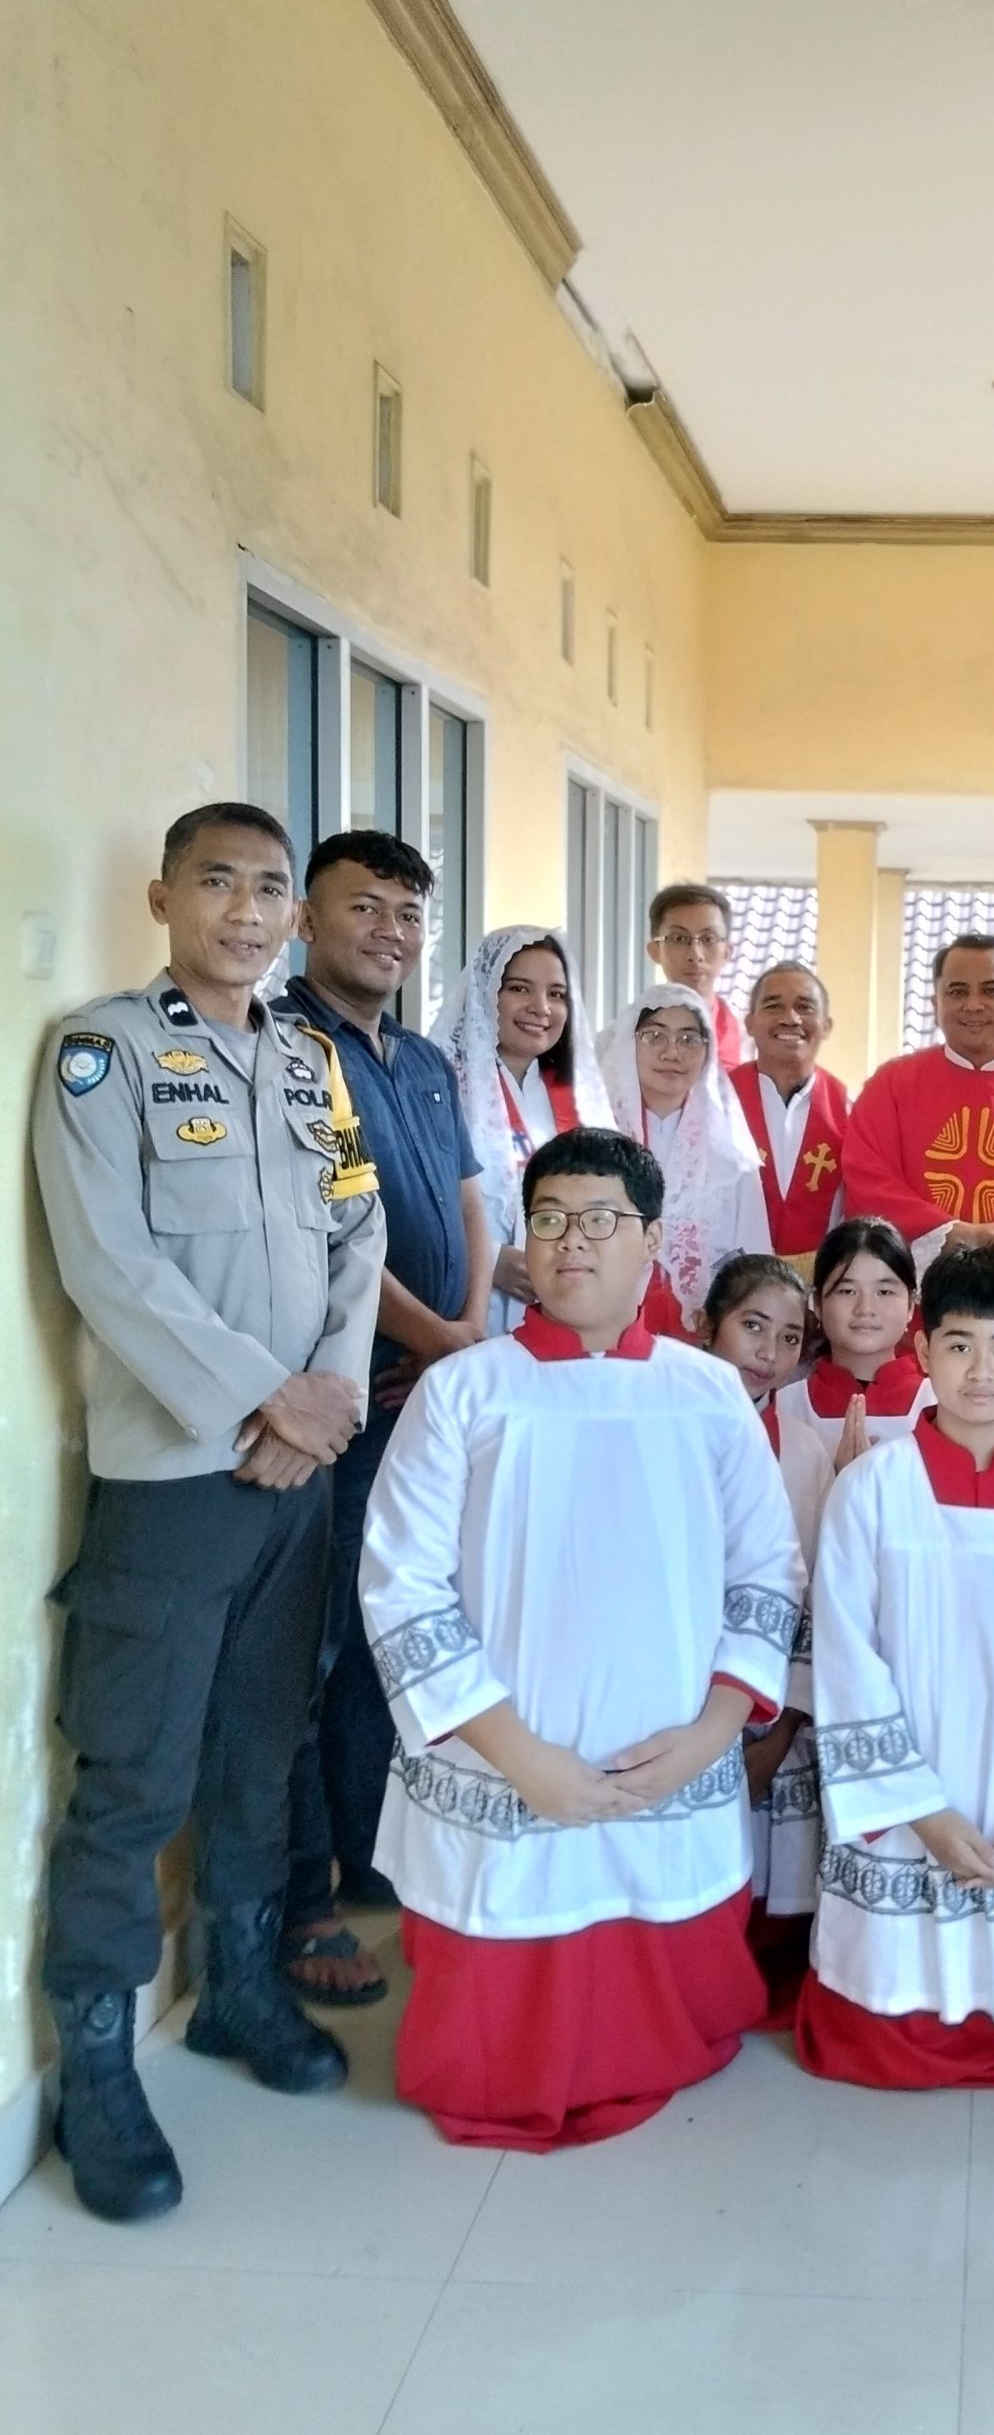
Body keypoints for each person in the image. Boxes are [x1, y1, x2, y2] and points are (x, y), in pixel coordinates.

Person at [31, 802, 385, 2223]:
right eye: (216, 883)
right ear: (163, 896)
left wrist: (333, 1396)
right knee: (132, 1776)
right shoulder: (101, 1053)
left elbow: (359, 1234)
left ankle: (240, 1985)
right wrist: (262, 1401)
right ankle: (98, 2066)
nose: (245, 910)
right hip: (178, 1477)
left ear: (293, 918)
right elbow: (105, 1264)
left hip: (299, 1472)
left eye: (268, 889)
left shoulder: (310, 1066)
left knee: (264, 1742)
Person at [358, 1127, 806, 2151]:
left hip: (668, 1748)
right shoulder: (465, 1390)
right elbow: (400, 1584)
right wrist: (521, 1760)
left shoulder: (704, 1393)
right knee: (495, 2030)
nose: (572, 1241)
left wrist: (714, 1733)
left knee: (665, 1972)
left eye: (601, 1219)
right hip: (507, 1758)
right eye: (550, 1218)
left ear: (651, 1241)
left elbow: (766, 1569)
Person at [796, 1242, 994, 2087]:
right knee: (896, 1984)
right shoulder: (872, 1489)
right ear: (923, 1349)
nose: (982, 1371)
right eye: (961, 1344)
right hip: (912, 1798)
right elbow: (846, 1659)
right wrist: (924, 1815)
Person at [274, 831, 493, 2009]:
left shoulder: (418, 1058)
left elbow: (468, 1196)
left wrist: (467, 1323)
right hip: (348, 1398)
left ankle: (373, 1851)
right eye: (366, 908)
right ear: (307, 920)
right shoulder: (289, 1051)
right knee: (314, 1649)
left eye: (410, 914)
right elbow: (336, 1229)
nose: (392, 932)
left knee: (393, 1630)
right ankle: (307, 1890)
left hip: (434, 1385)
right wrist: (434, 1338)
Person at [698, 1250, 831, 2018]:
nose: (769, 1354)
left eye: (788, 1339)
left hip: (768, 1704)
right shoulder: (663, 1421)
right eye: (752, 1327)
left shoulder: (804, 1450)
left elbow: (808, 1589)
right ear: (705, 1325)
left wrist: (781, 1723)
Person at [841, 934, 994, 1326]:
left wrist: (991, 1244)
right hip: (918, 1309)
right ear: (935, 1004)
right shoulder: (891, 1085)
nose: (973, 1004)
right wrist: (943, 1232)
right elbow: (867, 1178)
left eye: (991, 990)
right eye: (957, 991)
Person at [430, 924, 612, 1333]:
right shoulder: (439, 1085)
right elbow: (417, 1201)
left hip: (567, 1314)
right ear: (484, 992)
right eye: (519, 989)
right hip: (469, 1309)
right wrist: (490, 1258)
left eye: (557, 994)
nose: (540, 1007)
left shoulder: (585, 1097)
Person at [597, 982, 769, 1336]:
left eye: (689, 1039)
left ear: (708, 1051)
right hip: (605, 1324)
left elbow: (753, 1260)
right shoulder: (596, 1137)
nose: (672, 1053)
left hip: (703, 1333)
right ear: (631, 1042)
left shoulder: (730, 1152)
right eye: (655, 1036)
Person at [773, 1216, 932, 1468]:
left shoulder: (938, 1404)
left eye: (885, 1292)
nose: (865, 1308)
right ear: (817, 1304)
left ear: (911, 1306)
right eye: (847, 1291)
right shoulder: (786, 1406)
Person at [729, 960, 850, 1269]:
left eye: (805, 1007)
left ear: (827, 1025)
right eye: (773, 1006)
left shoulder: (848, 1110)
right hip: (728, 1282)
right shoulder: (718, 1100)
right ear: (750, 1023)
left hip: (818, 1284)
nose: (791, 1018)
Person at [646, 881, 747, 1069]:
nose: (695, 955)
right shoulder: (630, 1031)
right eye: (679, 938)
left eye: (708, 939)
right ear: (654, 951)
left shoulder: (749, 1035)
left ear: (727, 952)